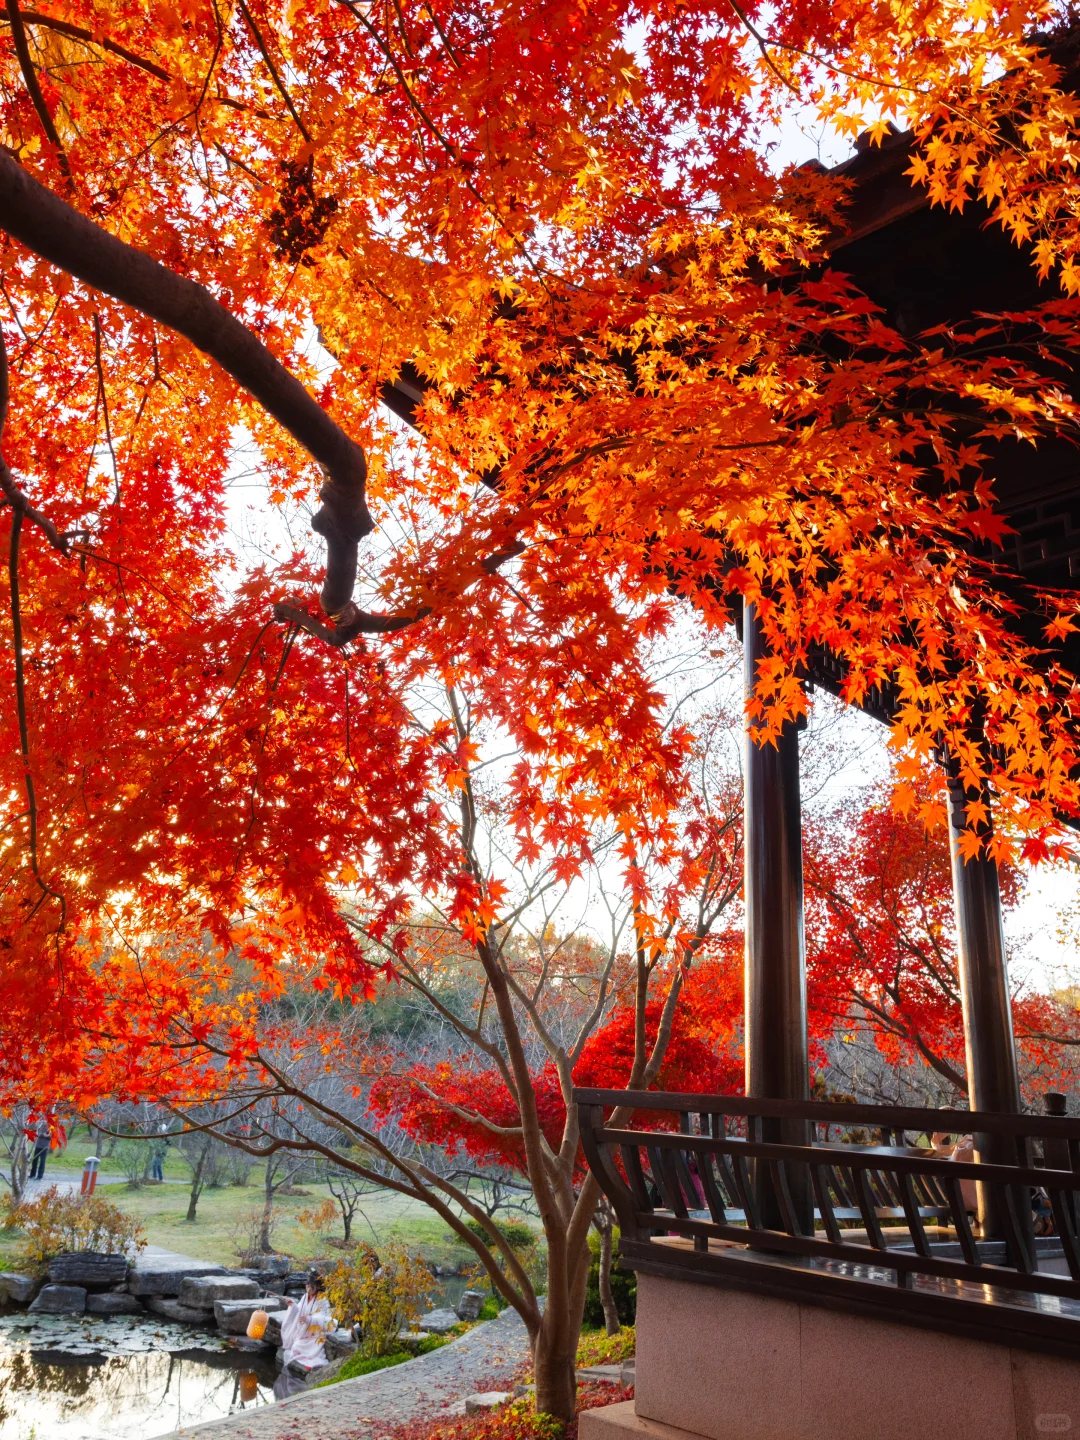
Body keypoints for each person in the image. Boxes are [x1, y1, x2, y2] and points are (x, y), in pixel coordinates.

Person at [279, 1270, 335, 1372]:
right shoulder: (305, 1297)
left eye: (311, 1287)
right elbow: (299, 1310)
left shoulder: (322, 1299)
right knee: (296, 1345)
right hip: (304, 1330)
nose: (308, 1289)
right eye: (307, 1286)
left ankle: (313, 1363)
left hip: (315, 1332)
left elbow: (324, 1318)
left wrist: (310, 1319)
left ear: (317, 1287)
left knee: (301, 1346)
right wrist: (292, 1305)